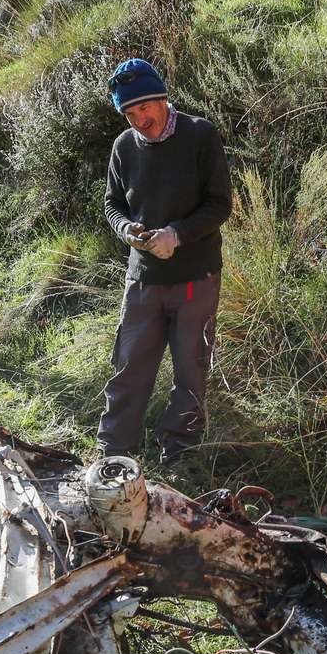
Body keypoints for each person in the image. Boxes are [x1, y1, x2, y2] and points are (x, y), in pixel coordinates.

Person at [97, 59, 232, 466]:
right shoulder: (124, 147)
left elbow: (219, 205)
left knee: (190, 370)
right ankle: (113, 454)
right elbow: (112, 204)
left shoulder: (200, 135)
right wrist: (125, 229)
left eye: (144, 107)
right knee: (129, 366)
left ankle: (179, 454)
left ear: (162, 98)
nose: (140, 120)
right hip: (143, 279)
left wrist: (176, 234)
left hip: (195, 278)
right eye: (130, 113)